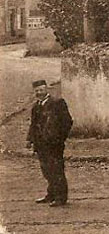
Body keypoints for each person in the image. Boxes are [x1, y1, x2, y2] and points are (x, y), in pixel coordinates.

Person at [26, 79, 73, 207]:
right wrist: (30, 140)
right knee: (46, 169)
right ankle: (51, 194)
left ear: (46, 89)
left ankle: (61, 197)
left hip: (54, 144)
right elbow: (33, 125)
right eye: (37, 91)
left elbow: (67, 122)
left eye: (41, 90)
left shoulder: (58, 103)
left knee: (56, 169)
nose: (39, 93)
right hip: (41, 144)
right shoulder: (36, 107)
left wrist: (60, 138)